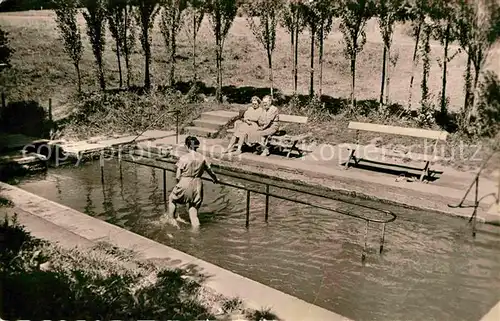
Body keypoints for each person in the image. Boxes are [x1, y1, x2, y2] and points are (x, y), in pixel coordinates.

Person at [162, 136, 218, 230]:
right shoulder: (202, 158)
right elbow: (210, 172)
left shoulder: (184, 158)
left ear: (186, 146)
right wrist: (215, 179)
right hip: (197, 184)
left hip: (185, 181)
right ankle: (196, 230)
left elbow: (177, 176)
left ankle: (172, 220)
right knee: (193, 208)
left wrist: (179, 184)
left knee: (172, 199)